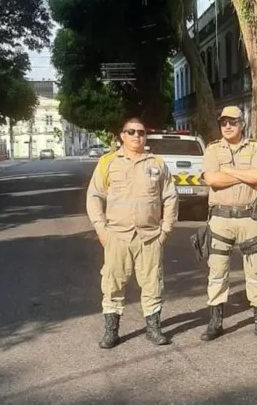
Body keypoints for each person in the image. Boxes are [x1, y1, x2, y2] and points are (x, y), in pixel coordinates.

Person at [86, 116, 178, 349]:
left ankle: (153, 328)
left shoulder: (156, 163)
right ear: (122, 136)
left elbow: (170, 197)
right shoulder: (108, 163)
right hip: (117, 236)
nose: (137, 136)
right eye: (132, 132)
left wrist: (165, 229)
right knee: (112, 284)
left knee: (152, 284)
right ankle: (111, 331)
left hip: (149, 236)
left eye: (141, 132)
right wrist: (101, 229)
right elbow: (94, 196)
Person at [198, 105, 257, 343]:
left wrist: (228, 171)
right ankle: (215, 321)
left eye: (233, 122)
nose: (228, 126)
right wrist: (244, 173)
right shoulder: (212, 149)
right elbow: (212, 179)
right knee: (217, 272)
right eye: (224, 122)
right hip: (220, 218)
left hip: (249, 218)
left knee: (256, 272)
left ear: (242, 124)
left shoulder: (255, 148)